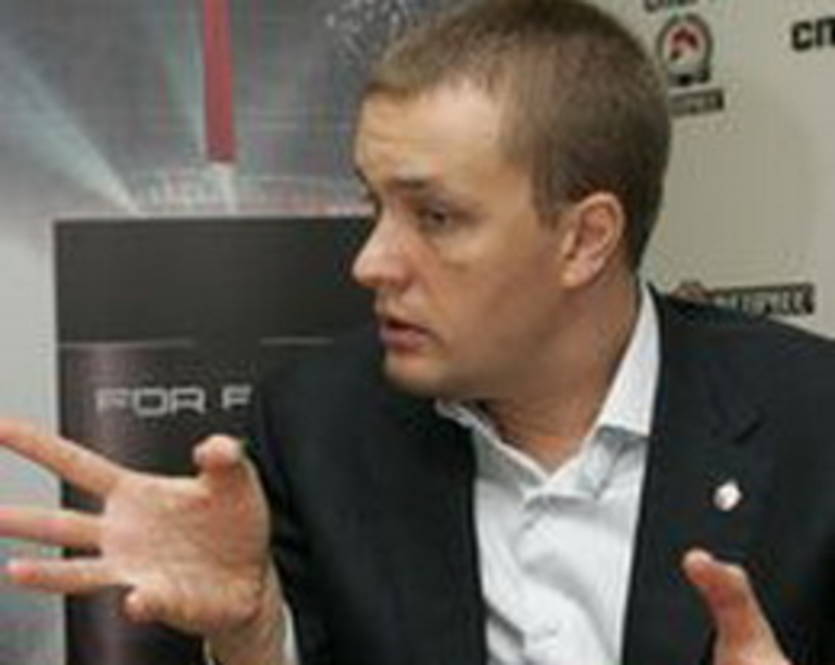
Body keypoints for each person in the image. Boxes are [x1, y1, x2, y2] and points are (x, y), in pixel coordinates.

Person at [1, 0, 834, 663]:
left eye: (435, 216)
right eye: (376, 205)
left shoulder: (814, 422)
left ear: (585, 239)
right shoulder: (315, 425)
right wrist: (254, 635)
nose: (369, 262)